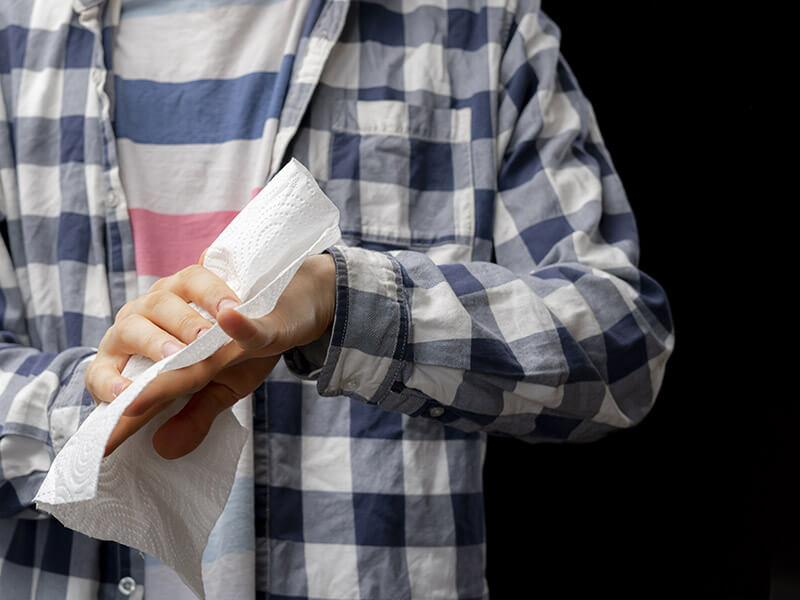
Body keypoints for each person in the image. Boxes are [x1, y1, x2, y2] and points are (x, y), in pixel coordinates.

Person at [0, 0, 674, 598]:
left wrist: (344, 302)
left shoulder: (479, 25)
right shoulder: (13, 39)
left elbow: (622, 351)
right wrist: (98, 407)